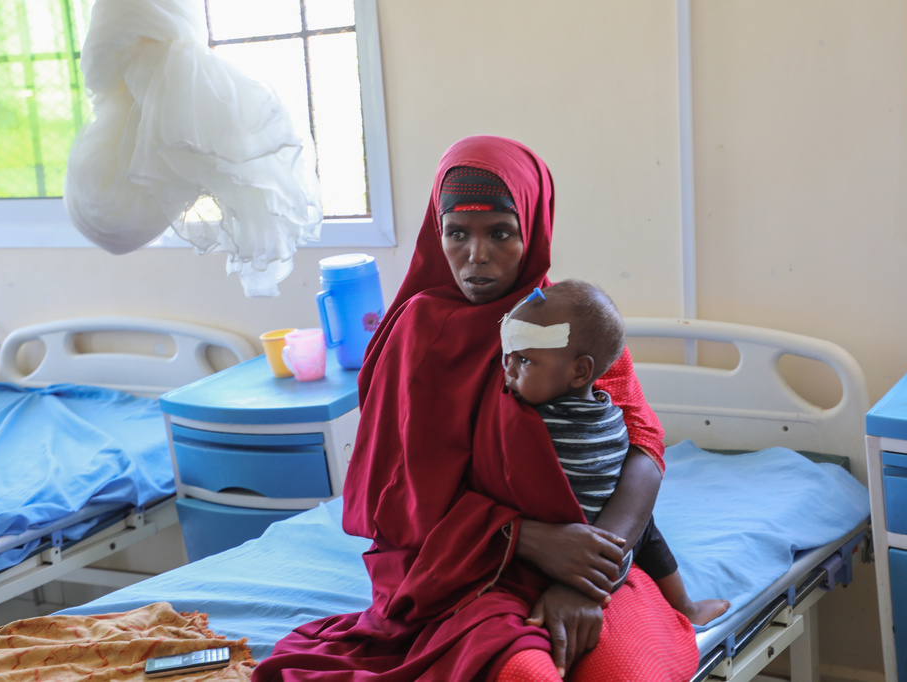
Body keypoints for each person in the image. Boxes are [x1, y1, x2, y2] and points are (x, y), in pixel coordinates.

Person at [252, 136, 699, 682]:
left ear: (531, 229)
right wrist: (530, 540)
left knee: (628, 675)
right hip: (456, 571)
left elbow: (643, 448)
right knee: (523, 676)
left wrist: (586, 575)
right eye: (458, 233)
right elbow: (392, 495)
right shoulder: (415, 334)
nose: (477, 255)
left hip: (591, 559)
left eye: (501, 233)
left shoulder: (567, 326)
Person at [500, 280, 730, 626]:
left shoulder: (532, 420)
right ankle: (684, 604)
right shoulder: (611, 414)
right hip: (613, 556)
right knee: (646, 524)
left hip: (562, 559)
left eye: (524, 360)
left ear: (580, 371)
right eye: (508, 358)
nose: (509, 370)